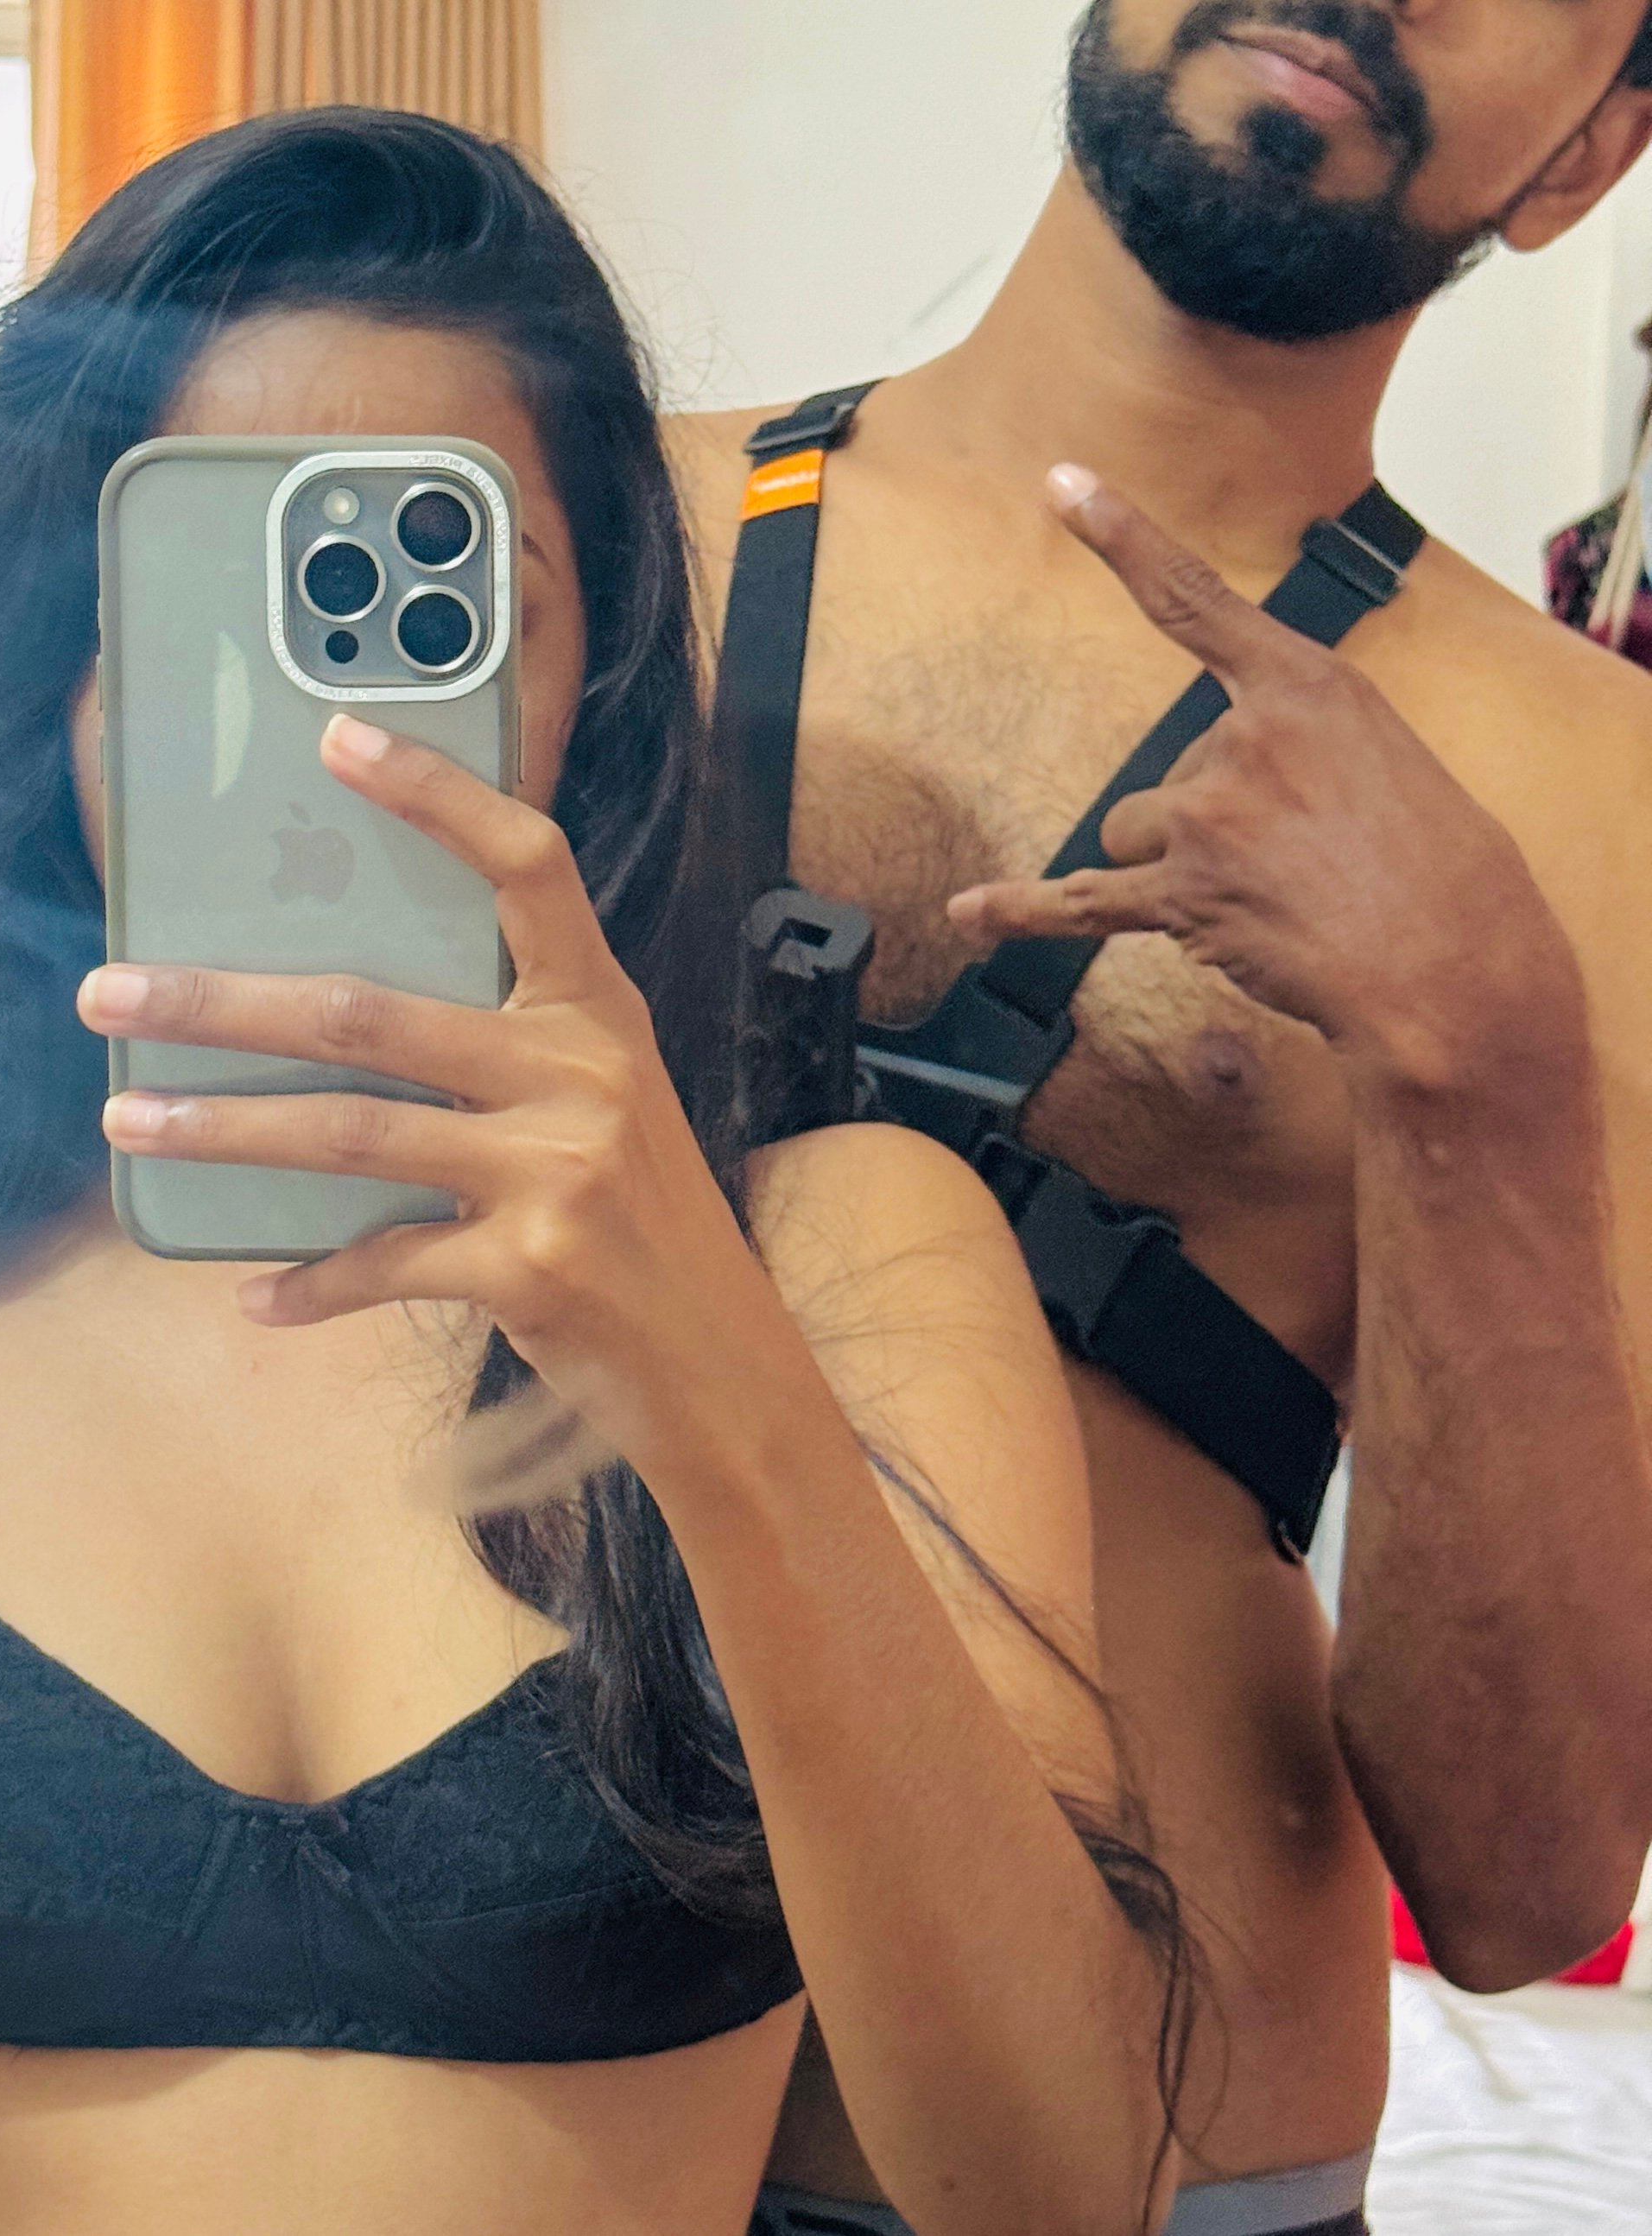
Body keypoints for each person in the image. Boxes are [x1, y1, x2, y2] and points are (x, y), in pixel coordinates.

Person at [0, 111, 1190, 2236]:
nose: (319, 734)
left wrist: (713, 1378)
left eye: (421, 610)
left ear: (595, 685)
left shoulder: (848, 1259)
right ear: (57, 675)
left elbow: (1068, 2187)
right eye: (191, 606)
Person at [668, 5, 1652, 2232]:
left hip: (1170, 2165)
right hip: (513, 2117)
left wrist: (1478, 1057)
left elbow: (1527, 1878)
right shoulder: (585, 531)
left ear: (1590, 156)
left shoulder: (1606, 805)